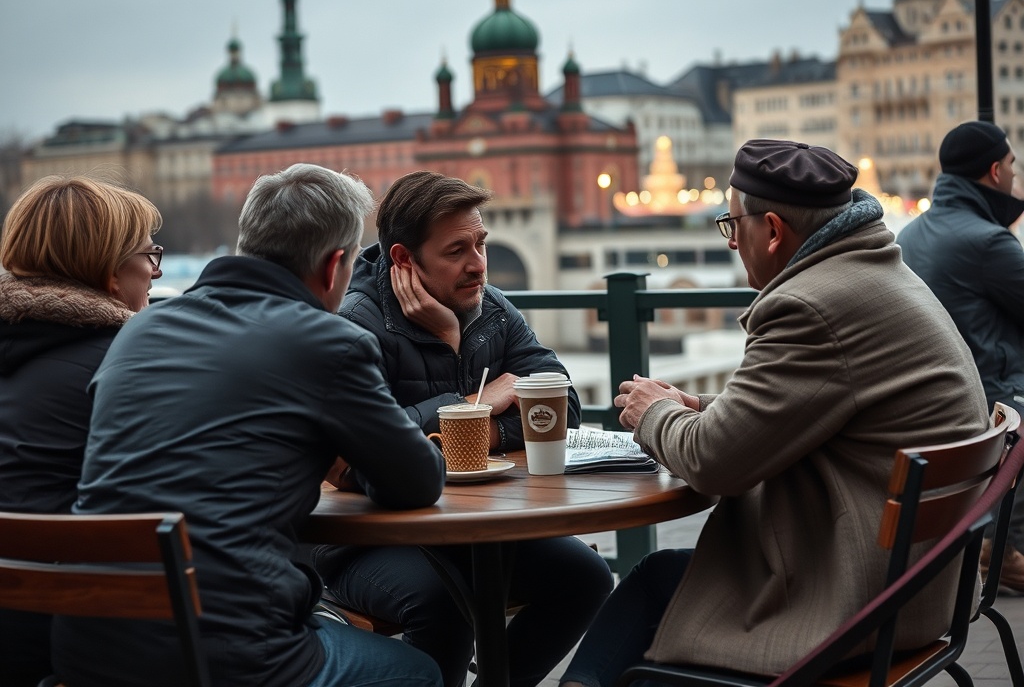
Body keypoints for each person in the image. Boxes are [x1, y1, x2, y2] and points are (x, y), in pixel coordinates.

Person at [560, 140, 990, 687]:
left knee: (651, 592)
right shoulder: (876, 271)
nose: (731, 240)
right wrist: (700, 407)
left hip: (862, 601)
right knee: (658, 580)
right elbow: (813, 410)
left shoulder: (810, 306)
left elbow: (714, 462)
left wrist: (653, 413)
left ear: (771, 230)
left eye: (732, 224)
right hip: (921, 585)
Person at [51, 164, 447, 687]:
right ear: (334, 267)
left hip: (89, 648)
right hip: (224, 654)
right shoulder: (328, 341)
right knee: (417, 673)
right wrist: (352, 461)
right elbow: (418, 481)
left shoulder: (142, 328)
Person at [311, 170, 613, 687]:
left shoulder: (490, 308)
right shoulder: (353, 322)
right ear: (404, 259)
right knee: (443, 604)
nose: (478, 264)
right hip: (362, 538)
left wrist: (475, 427)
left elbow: (561, 404)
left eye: (481, 243)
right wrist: (475, 402)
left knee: (586, 577)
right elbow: (362, 457)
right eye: (457, 250)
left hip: (466, 527)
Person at [0, 175, 162, 686]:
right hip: (78, 641)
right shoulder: (129, 364)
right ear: (110, 273)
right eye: (149, 254)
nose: (156, 272)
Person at [897, 120, 1024, 591]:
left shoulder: (910, 235)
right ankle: (1002, 548)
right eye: (1011, 164)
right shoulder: (989, 242)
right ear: (994, 171)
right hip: (994, 397)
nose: (1015, 174)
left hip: (938, 397)